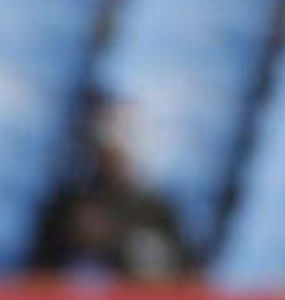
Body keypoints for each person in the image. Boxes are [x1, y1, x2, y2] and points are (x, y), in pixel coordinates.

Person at [31, 95, 190, 285]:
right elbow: (40, 277)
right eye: (104, 138)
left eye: (122, 137)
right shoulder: (66, 206)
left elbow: (177, 276)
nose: (112, 152)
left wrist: (118, 241)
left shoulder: (155, 208)